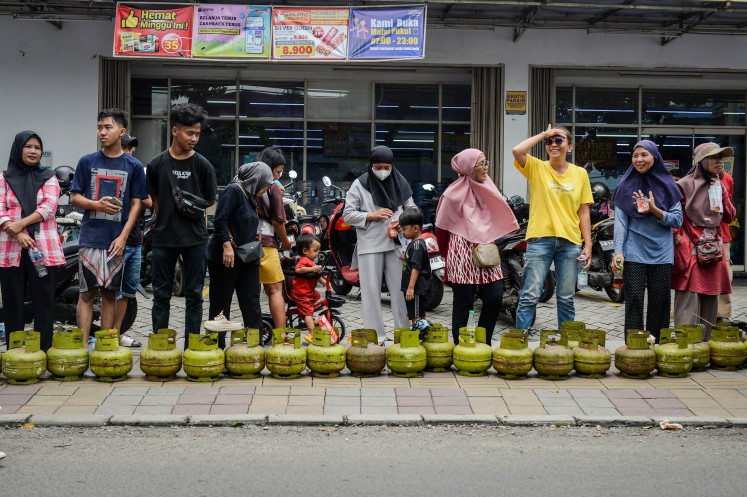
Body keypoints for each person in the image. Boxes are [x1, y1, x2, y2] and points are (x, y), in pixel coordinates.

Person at [70, 109, 146, 345]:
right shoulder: (87, 161)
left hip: (116, 240)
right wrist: (96, 205)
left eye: (108, 127)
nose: (102, 132)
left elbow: (136, 204)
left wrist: (124, 236)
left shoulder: (133, 166)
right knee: (86, 294)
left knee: (111, 295)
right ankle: (82, 348)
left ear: (122, 132)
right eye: (100, 127)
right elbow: (74, 197)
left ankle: (106, 347)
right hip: (90, 237)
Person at [146, 103, 217, 349]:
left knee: (194, 297)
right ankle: (160, 347)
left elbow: (209, 200)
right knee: (161, 297)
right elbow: (154, 200)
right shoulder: (155, 165)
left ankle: (192, 347)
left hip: (196, 239)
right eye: (189, 133)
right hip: (163, 238)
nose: (194, 138)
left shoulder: (203, 165)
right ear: (175, 131)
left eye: (197, 133)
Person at [512, 124, 593, 330]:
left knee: (566, 298)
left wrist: (588, 244)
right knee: (530, 295)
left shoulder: (580, 173)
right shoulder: (537, 167)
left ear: (570, 147)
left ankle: (565, 344)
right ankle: (520, 342)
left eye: (559, 140)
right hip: (540, 239)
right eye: (550, 141)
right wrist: (542, 134)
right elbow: (517, 151)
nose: (553, 144)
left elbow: (583, 211)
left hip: (571, 242)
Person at [435, 148, 518, 345]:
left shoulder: (489, 187)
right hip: (461, 252)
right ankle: (460, 345)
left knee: (495, 299)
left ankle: (483, 341)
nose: (485, 167)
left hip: (487, 250)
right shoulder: (452, 194)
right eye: (480, 164)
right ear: (468, 167)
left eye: (485, 162)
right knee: (463, 304)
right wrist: (448, 259)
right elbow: (441, 228)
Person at [611, 140, 683, 342]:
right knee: (633, 299)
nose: (639, 159)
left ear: (655, 157)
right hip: (634, 252)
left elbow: (678, 219)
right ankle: (635, 345)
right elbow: (621, 224)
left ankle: (658, 344)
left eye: (644, 155)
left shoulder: (669, 185)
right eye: (635, 155)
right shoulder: (625, 186)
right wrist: (618, 252)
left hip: (661, 253)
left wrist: (655, 211)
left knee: (659, 300)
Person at [343, 146, 415, 345]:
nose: (383, 170)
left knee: (400, 292)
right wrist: (370, 215)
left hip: (396, 244)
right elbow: (347, 214)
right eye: (378, 166)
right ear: (370, 165)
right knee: (370, 293)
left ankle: (403, 335)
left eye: (386, 166)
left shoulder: (400, 182)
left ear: (392, 165)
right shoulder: (360, 184)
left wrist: (405, 221)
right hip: (370, 245)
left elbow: (412, 208)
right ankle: (377, 339)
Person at [0, 131, 64, 351]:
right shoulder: (4, 178)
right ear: (18, 149)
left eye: (37, 147)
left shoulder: (48, 176)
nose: (33, 151)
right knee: (13, 304)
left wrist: (20, 224)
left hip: (43, 249)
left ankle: (43, 352)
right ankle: (15, 354)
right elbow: (1, 210)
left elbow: (48, 207)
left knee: (44, 303)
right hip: (11, 250)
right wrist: (18, 233)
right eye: (28, 146)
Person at [672, 142, 735, 340]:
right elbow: (675, 217)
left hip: (713, 249)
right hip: (690, 248)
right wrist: (679, 239)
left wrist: (721, 192)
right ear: (702, 161)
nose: (719, 162)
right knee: (688, 298)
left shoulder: (719, 185)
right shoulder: (684, 185)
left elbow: (729, 216)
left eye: (721, 158)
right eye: (714, 158)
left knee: (711, 297)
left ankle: (705, 345)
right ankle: (684, 343)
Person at [207, 161, 273, 348]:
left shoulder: (251, 195)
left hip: (247, 256)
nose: (268, 187)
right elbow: (220, 220)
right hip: (226, 258)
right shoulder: (234, 190)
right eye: (267, 183)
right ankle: (217, 347)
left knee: (251, 300)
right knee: (221, 304)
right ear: (256, 179)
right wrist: (227, 246)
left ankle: (255, 346)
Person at [114, 133, 151, 347]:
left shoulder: (137, 170)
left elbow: (147, 200)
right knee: (111, 292)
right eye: (124, 147)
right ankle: (104, 336)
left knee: (127, 291)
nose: (128, 152)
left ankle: (116, 333)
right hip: (114, 240)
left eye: (130, 149)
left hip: (134, 239)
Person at [255, 146, 292, 331]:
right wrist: (285, 243)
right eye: (277, 171)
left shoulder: (242, 181)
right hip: (267, 245)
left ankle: (251, 332)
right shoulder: (272, 187)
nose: (277, 176)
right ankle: (281, 335)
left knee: (249, 291)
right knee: (275, 290)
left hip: (243, 246)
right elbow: (278, 222)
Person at [289, 233, 327, 339]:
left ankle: (304, 311)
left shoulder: (310, 262)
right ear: (305, 251)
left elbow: (316, 275)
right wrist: (312, 269)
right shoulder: (304, 261)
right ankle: (312, 333)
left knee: (316, 295)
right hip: (300, 292)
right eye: (315, 251)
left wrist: (325, 283)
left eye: (318, 250)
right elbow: (298, 269)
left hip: (307, 291)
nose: (317, 253)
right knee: (309, 312)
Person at [399, 207, 431, 328]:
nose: (402, 232)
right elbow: (415, 262)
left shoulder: (417, 245)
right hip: (416, 288)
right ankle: (424, 337)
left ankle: (416, 341)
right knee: (419, 313)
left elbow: (416, 267)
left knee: (416, 316)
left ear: (416, 228)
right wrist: (405, 258)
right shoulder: (415, 244)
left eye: (404, 229)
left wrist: (410, 288)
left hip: (416, 288)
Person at [717, 168, 735, 322]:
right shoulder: (694, 178)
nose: (718, 162)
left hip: (723, 235)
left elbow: (729, 211)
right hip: (700, 235)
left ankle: (722, 315)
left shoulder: (727, 179)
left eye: (720, 159)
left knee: (725, 276)